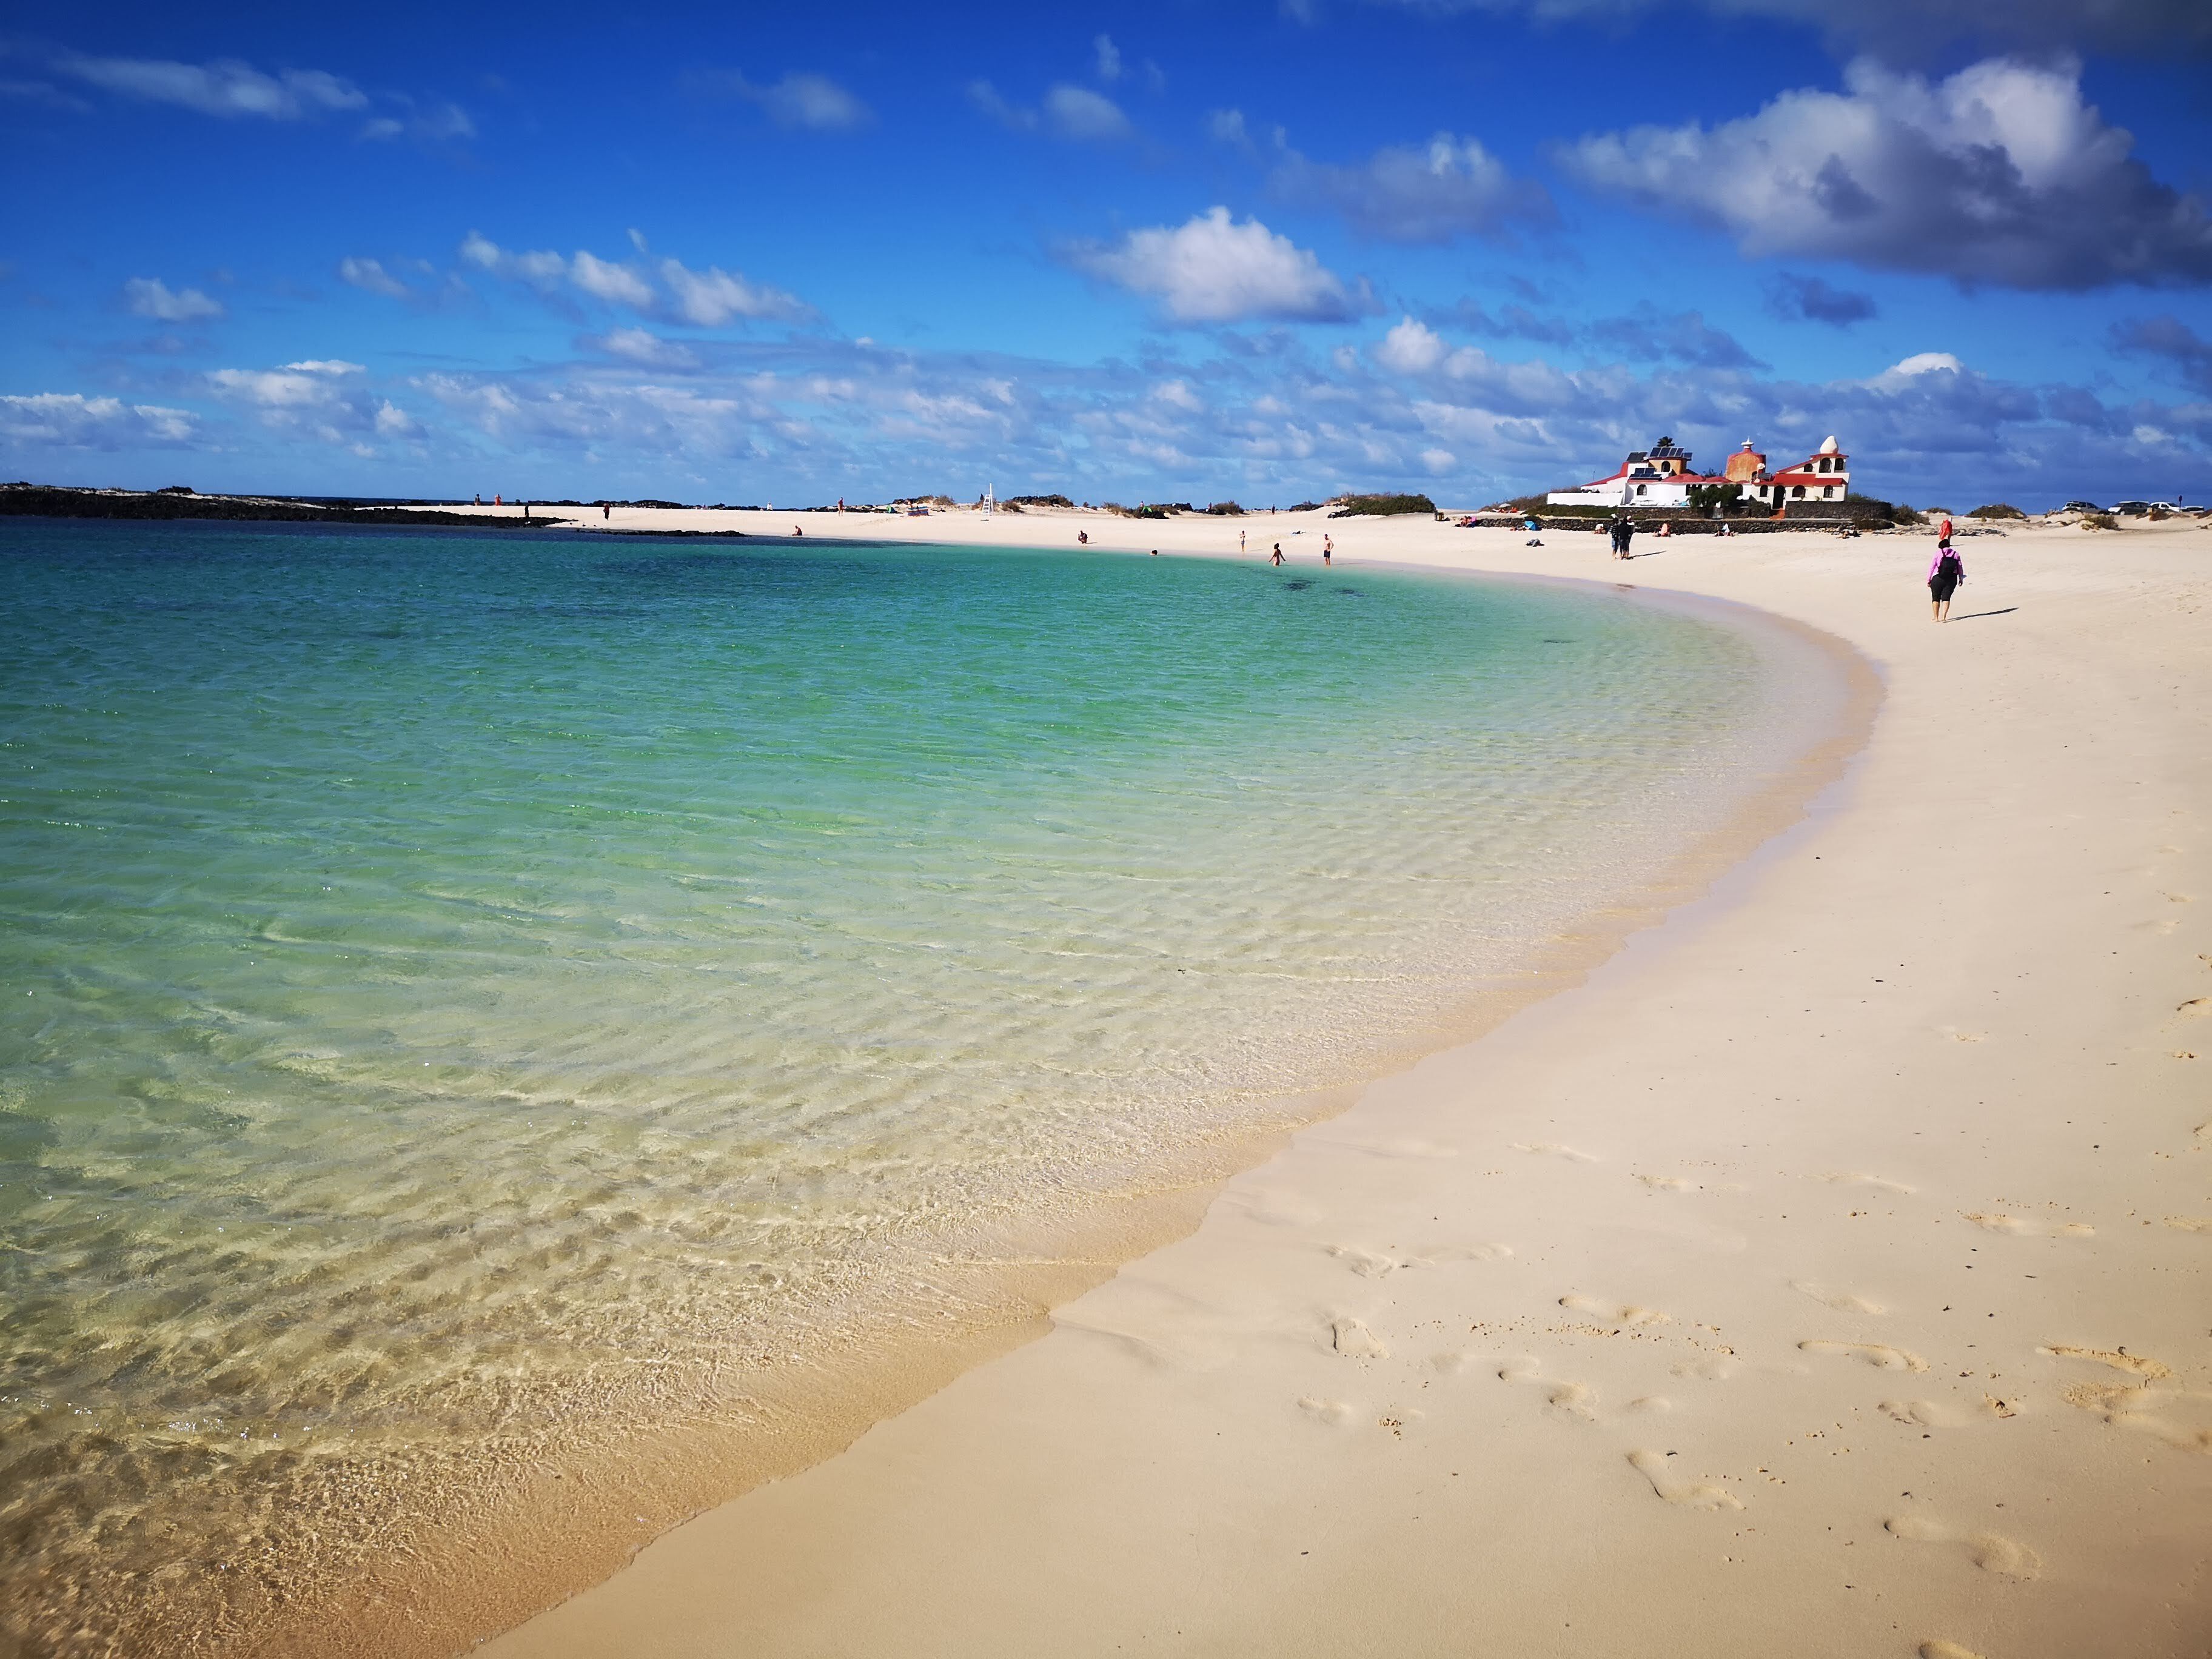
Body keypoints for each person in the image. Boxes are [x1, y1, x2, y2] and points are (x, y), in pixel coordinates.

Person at [1928, 541, 1964, 621]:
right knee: (1946, 598)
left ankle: (1936, 618)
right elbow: (1960, 567)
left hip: (1938, 577)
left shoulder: (1938, 553)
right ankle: (1944, 617)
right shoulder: (1956, 554)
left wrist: (1929, 579)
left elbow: (1932, 567)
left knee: (1936, 598)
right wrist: (1961, 578)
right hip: (1952, 578)